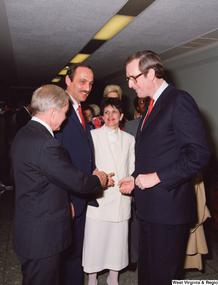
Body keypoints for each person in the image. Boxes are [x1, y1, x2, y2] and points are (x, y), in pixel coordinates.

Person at [118, 50, 210, 285]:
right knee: (147, 275)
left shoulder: (179, 100)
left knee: (161, 277)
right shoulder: (151, 105)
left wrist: (157, 177)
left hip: (168, 210)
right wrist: (135, 177)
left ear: (150, 73)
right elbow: (156, 153)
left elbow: (199, 155)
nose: (129, 85)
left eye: (133, 78)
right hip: (149, 208)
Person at [10, 84, 108, 285]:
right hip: (42, 238)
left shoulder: (23, 133)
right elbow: (77, 182)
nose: (65, 118)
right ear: (53, 112)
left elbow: (18, 176)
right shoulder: (47, 143)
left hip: (27, 228)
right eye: (64, 113)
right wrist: (99, 179)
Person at [55, 63, 105, 285]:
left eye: (90, 83)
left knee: (74, 253)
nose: (87, 87)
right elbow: (56, 161)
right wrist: (65, 200)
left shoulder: (77, 110)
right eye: (82, 82)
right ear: (68, 80)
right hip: (70, 198)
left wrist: (91, 169)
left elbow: (76, 149)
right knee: (66, 257)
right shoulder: (59, 110)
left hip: (80, 195)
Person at [83, 97, 135, 285]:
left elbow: (133, 166)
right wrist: (95, 175)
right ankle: (92, 279)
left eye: (114, 112)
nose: (110, 115)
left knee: (118, 243)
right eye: (106, 112)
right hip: (100, 198)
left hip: (121, 199)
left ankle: (113, 278)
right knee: (94, 241)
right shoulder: (93, 136)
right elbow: (85, 164)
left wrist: (131, 181)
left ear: (121, 116)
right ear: (102, 116)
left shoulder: (130, 140)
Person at [123, 96, 149, 273]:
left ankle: (148, 257)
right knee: (134, 223)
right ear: (137, 107)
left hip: (155, 180)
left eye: (146, 100)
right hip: (135, 178)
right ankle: (133, 258)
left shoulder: (162, 122)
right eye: (140, 101)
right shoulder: (131, 126)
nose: (144, 104)